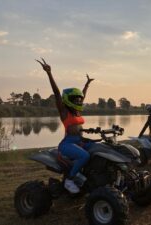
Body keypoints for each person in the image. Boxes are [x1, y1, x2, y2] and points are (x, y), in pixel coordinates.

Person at [36, 58, 94, 194]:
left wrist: (87, 84)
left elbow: (83, 96)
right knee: (84, 156)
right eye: (76, 99)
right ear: (69, 100)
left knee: (99, 149)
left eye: (79, 99)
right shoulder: (64, 112)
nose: (79, 100)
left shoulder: (77, 111)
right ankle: (70, 179)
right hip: (67, 144)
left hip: (80, 142)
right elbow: (57, 94)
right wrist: (49, 73)